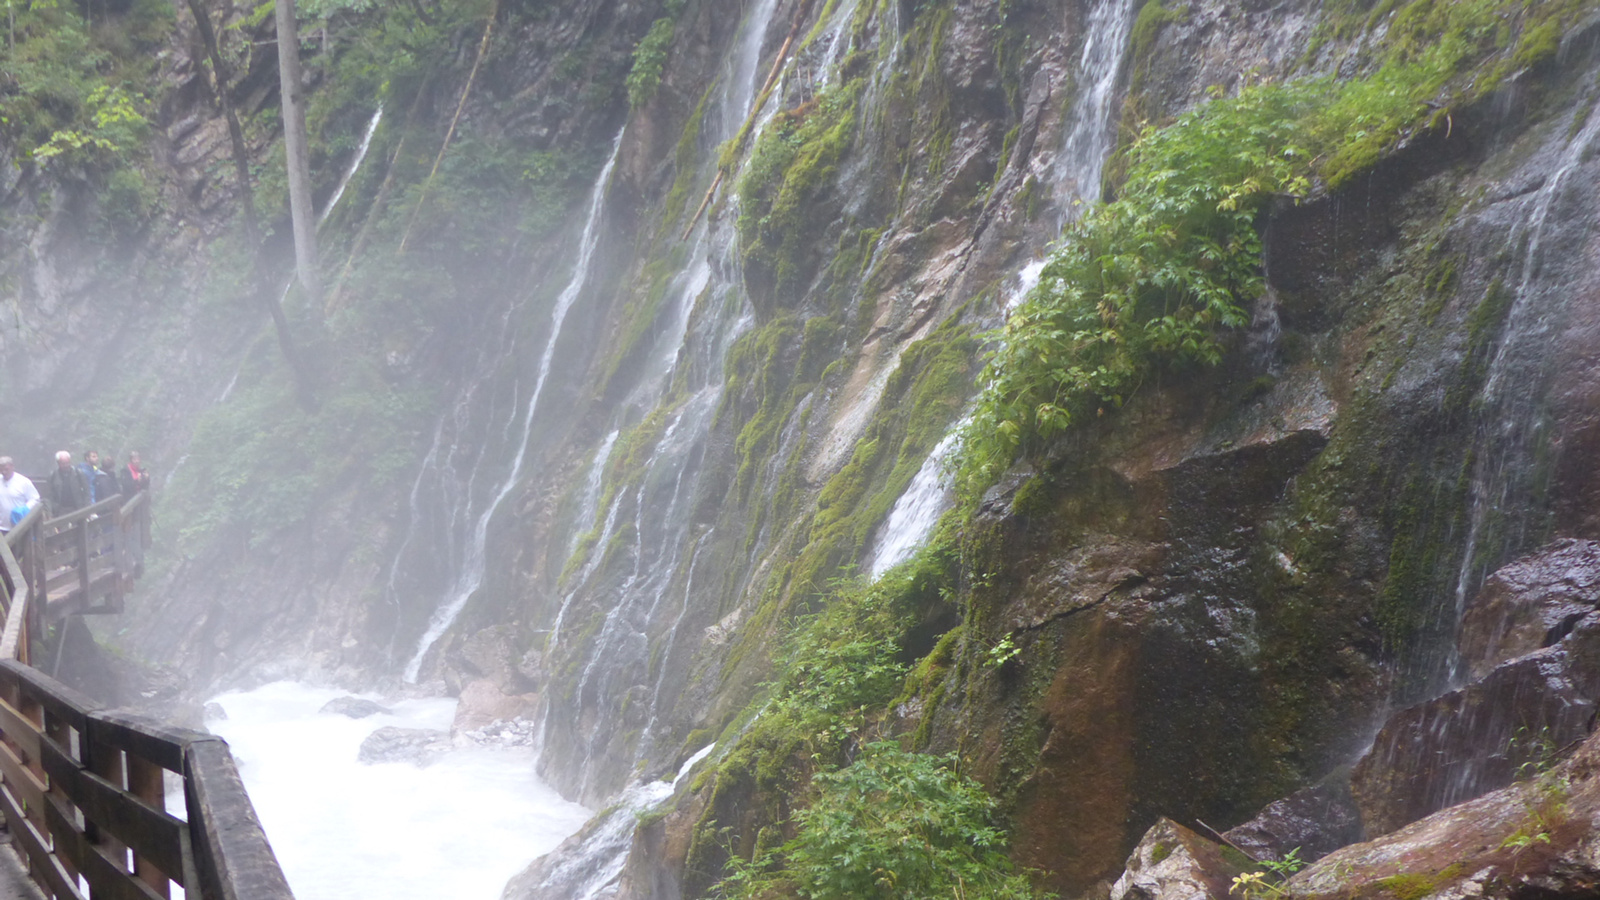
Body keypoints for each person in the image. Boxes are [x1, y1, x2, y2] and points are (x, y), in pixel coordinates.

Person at [0, 457, 39, 532]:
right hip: (2, 527)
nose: (4, 472)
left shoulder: (23, 481)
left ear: (12, 467)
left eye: (6, 469)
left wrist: (25, 509)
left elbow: (35, 498)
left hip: (19, 527)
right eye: (1, 470)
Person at [47, 450, 90, 515]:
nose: (66, 465)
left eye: (67, 463)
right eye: (63, 463)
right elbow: (50, 495)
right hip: (60, 511)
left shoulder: (79, 474)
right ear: (58, 463)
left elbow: (87, 492)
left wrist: (86, 507)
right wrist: (52, 509)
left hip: (77, 509)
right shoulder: (53, 476)